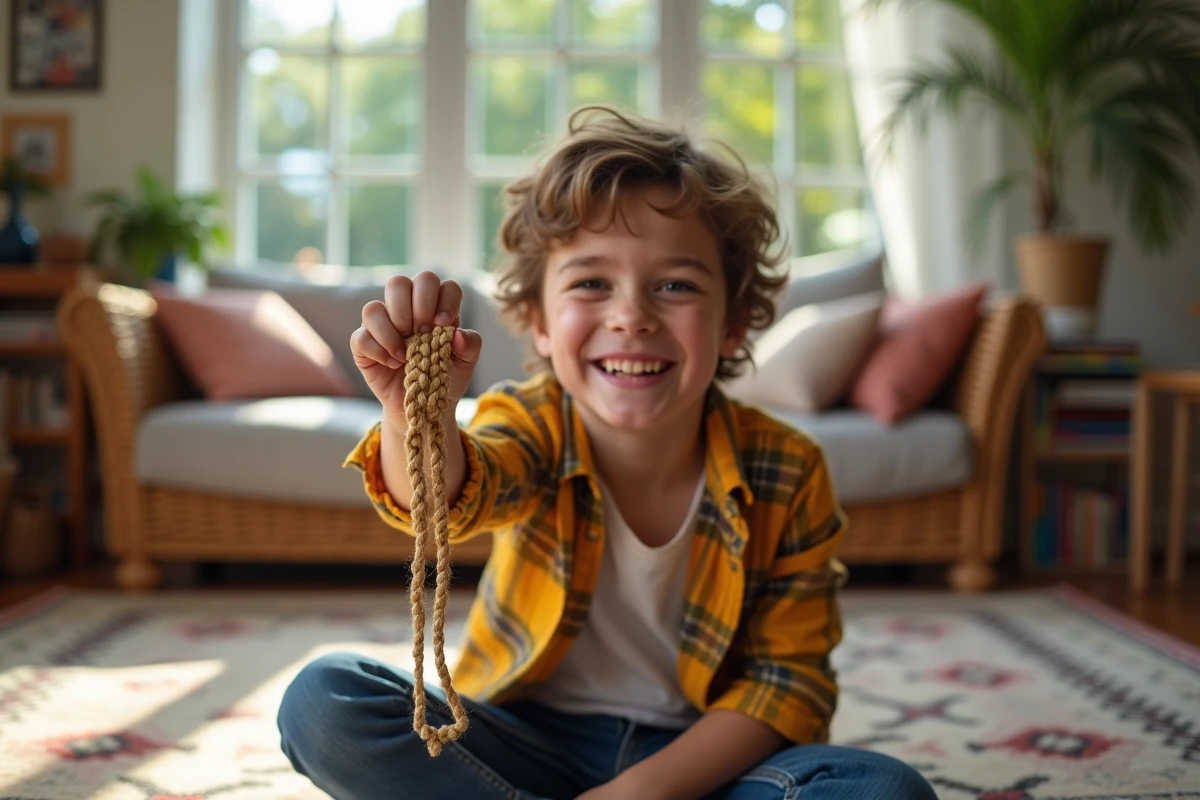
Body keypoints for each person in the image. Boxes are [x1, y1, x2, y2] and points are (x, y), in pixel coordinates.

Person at [277, 105, 936, 800]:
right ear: (538, 322)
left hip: (702, 764)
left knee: (883, 790)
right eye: (591, 283)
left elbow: (787, 683)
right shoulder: (531, 422)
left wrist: (637, 793)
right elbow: (447, 501)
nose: (631, 316)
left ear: (735, 322)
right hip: (523, 739)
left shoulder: (789, 468)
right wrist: (415, 415)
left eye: (676, 285)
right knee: (325, 700)